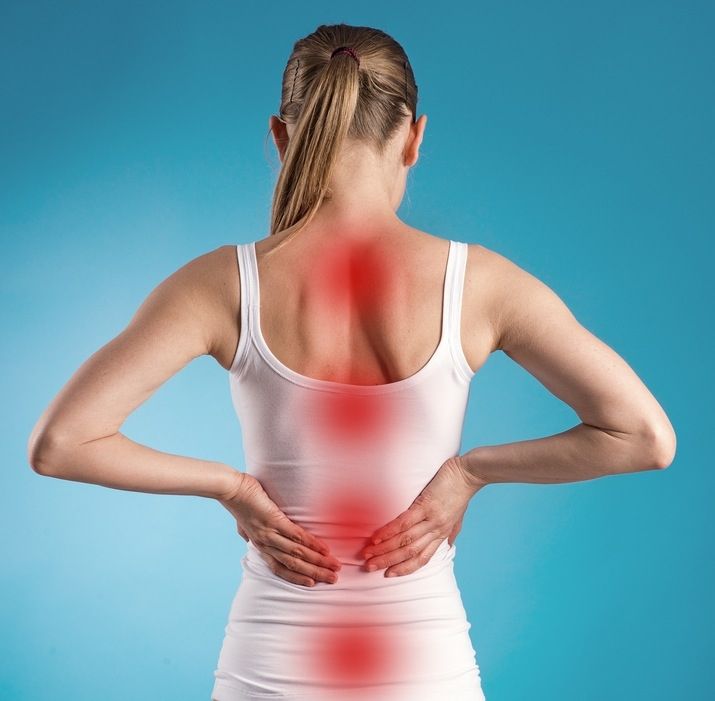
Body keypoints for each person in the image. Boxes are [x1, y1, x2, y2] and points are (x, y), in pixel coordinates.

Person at [27, 22, 676, 701]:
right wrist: (469, 472)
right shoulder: (479, 284)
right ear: (414, 137)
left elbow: (62, 443)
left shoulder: (223, 284)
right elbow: (643, 436)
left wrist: (232, 488)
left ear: (281, 137)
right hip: (426, 673)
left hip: (268, 668)